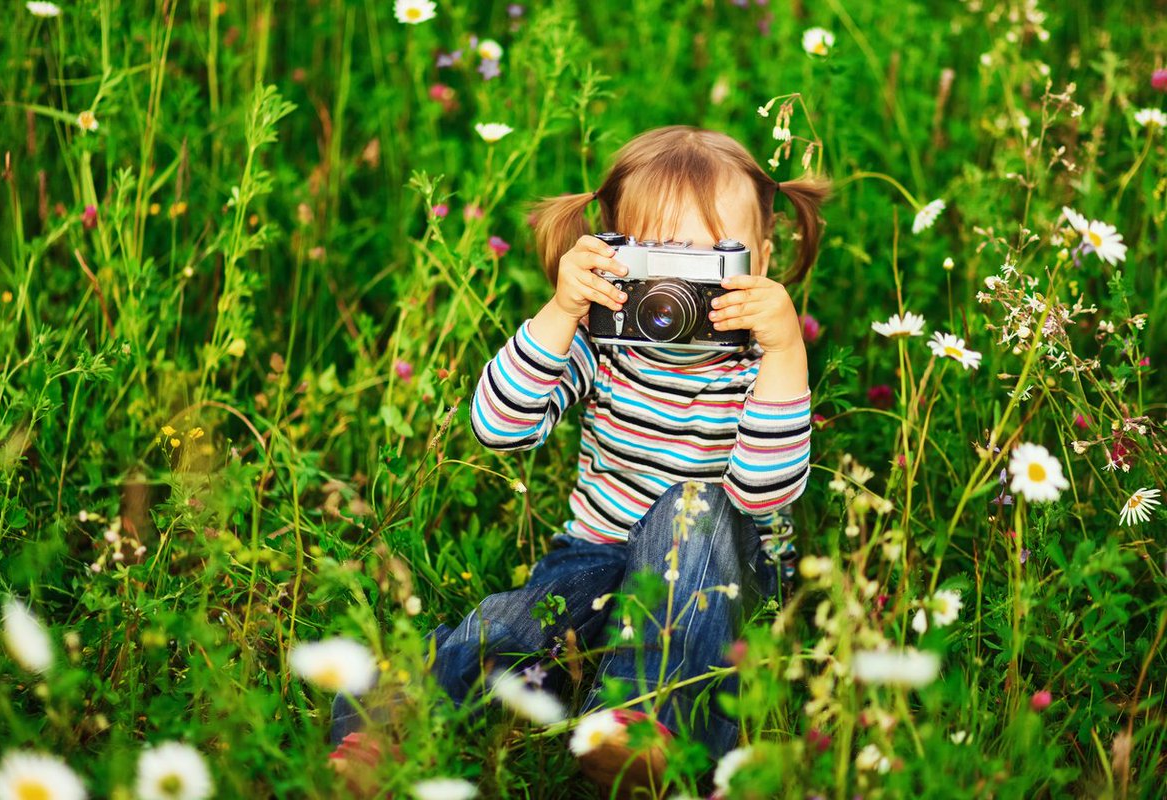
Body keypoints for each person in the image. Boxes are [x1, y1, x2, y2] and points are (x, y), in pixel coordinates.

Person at [330, 124, 831, 797]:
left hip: (719, 575)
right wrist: (564, 310)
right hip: (596, 553)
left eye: (712, 265)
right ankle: (391, 718)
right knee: (514, 622)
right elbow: (498, 428)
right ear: (611, 258)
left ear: (761, 263)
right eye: (660, 265)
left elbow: (766, 496)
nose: (676, 296)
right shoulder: (605, 344)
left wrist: (786, 353)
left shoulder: (759, 362)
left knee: (693, 506)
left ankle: (650, 733)